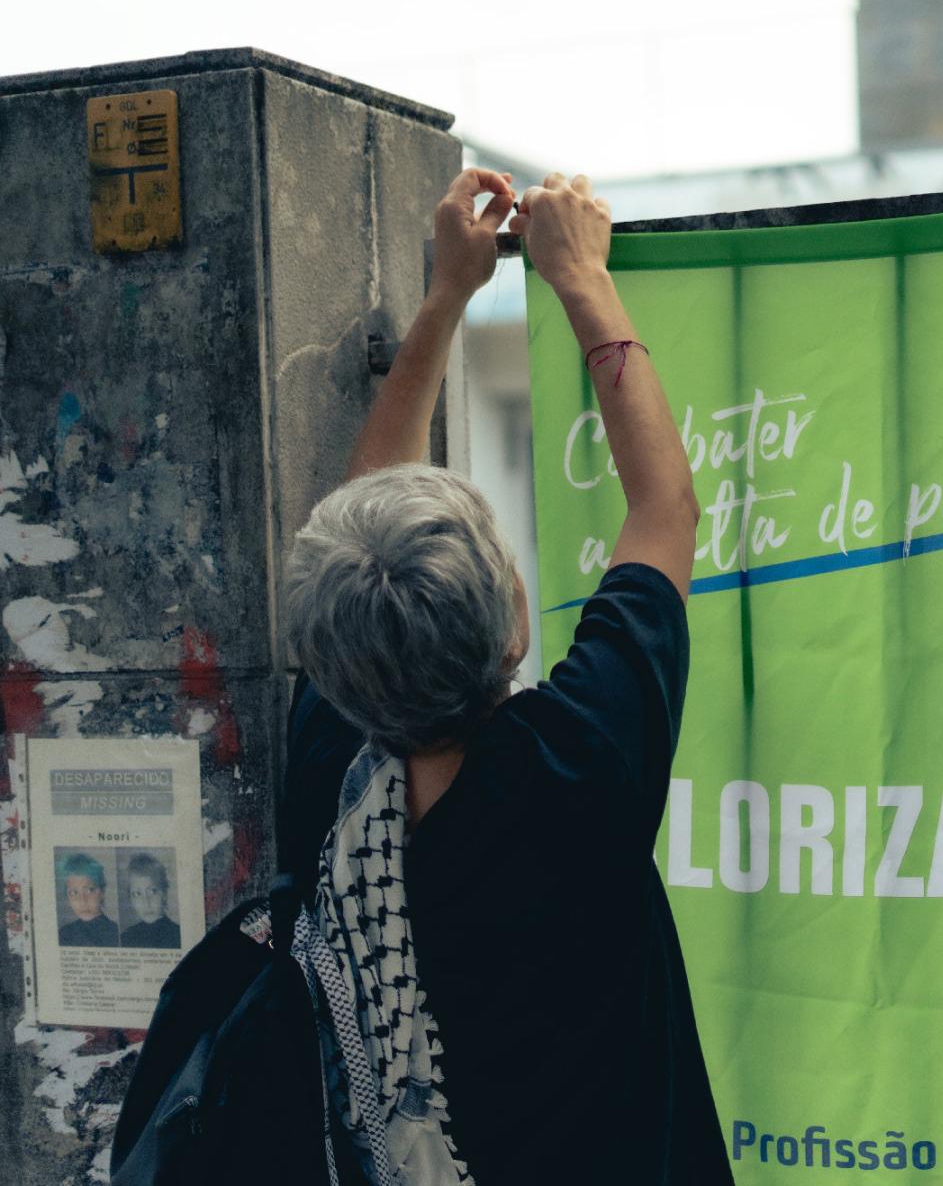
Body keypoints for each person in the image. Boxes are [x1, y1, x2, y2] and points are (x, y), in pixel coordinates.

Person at [280, 168, 722, 1184]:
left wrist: (445, 300)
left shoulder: (334, 783)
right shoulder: (574, 766)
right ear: (516, 623)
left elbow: (658, 510)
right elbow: (667, 507)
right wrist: (580, 277)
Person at [118, 852, 180, 949]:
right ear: (131, 899)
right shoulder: (125, 938)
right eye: (137, 894)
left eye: (152, 891)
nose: (146, 902)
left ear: (164, 893)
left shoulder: (178, 936)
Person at [58, 851, 118, 947]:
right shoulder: (63, 934)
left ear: (102, 892)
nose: (82, 901)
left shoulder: (116, 934)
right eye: (74, 893)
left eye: (90, 890)